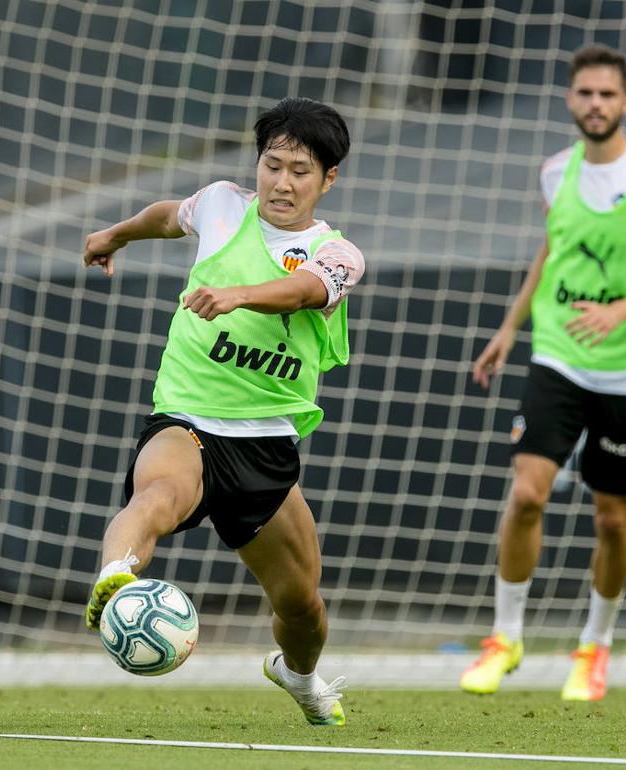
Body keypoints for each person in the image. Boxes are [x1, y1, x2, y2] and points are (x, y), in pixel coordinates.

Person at [81, 97, 364, 725]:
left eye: (299, 170)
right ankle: (116, 585)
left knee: (303, 607)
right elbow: (167, 217)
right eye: (272, 165)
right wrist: (116, 234)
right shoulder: (221, 205)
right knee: (155, 497)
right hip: (187, 417)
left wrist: (238, 294)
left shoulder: (338, 253)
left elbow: (307, 289)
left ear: (327, 180)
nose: (282, 182)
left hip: (264, 441)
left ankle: (299, 674)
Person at [463, 45, 626, 701]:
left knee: (611, 519)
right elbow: (553, 249)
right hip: (559, 357)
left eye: (607, 95)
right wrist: (510, 327)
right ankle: (505, 637)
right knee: (528, 494)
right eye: (585, 93)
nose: (595, 104)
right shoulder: (554, 173)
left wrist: (621, 312)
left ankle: (594, 648)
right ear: (570, 100)